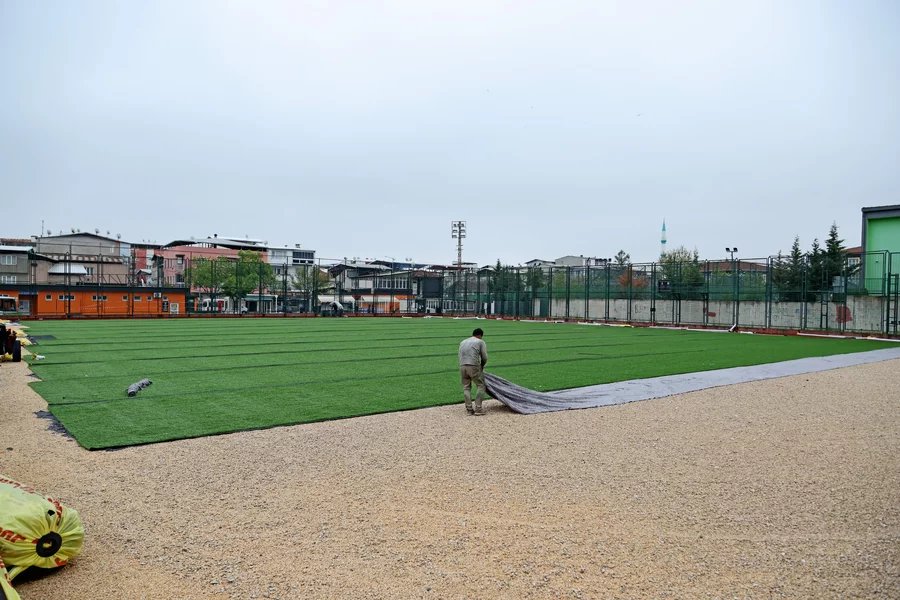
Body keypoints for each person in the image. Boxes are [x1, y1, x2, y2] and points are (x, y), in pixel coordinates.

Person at [458, 327, 488, 416]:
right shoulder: (480, 342)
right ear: (480, 335)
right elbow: (484, 357)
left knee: (466, 387)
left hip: (462, 366)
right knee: (481, 385)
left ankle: (469, 410)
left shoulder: (463, 342)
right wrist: (482, 365)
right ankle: (478, 409)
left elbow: (459, 355)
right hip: (473, 365)